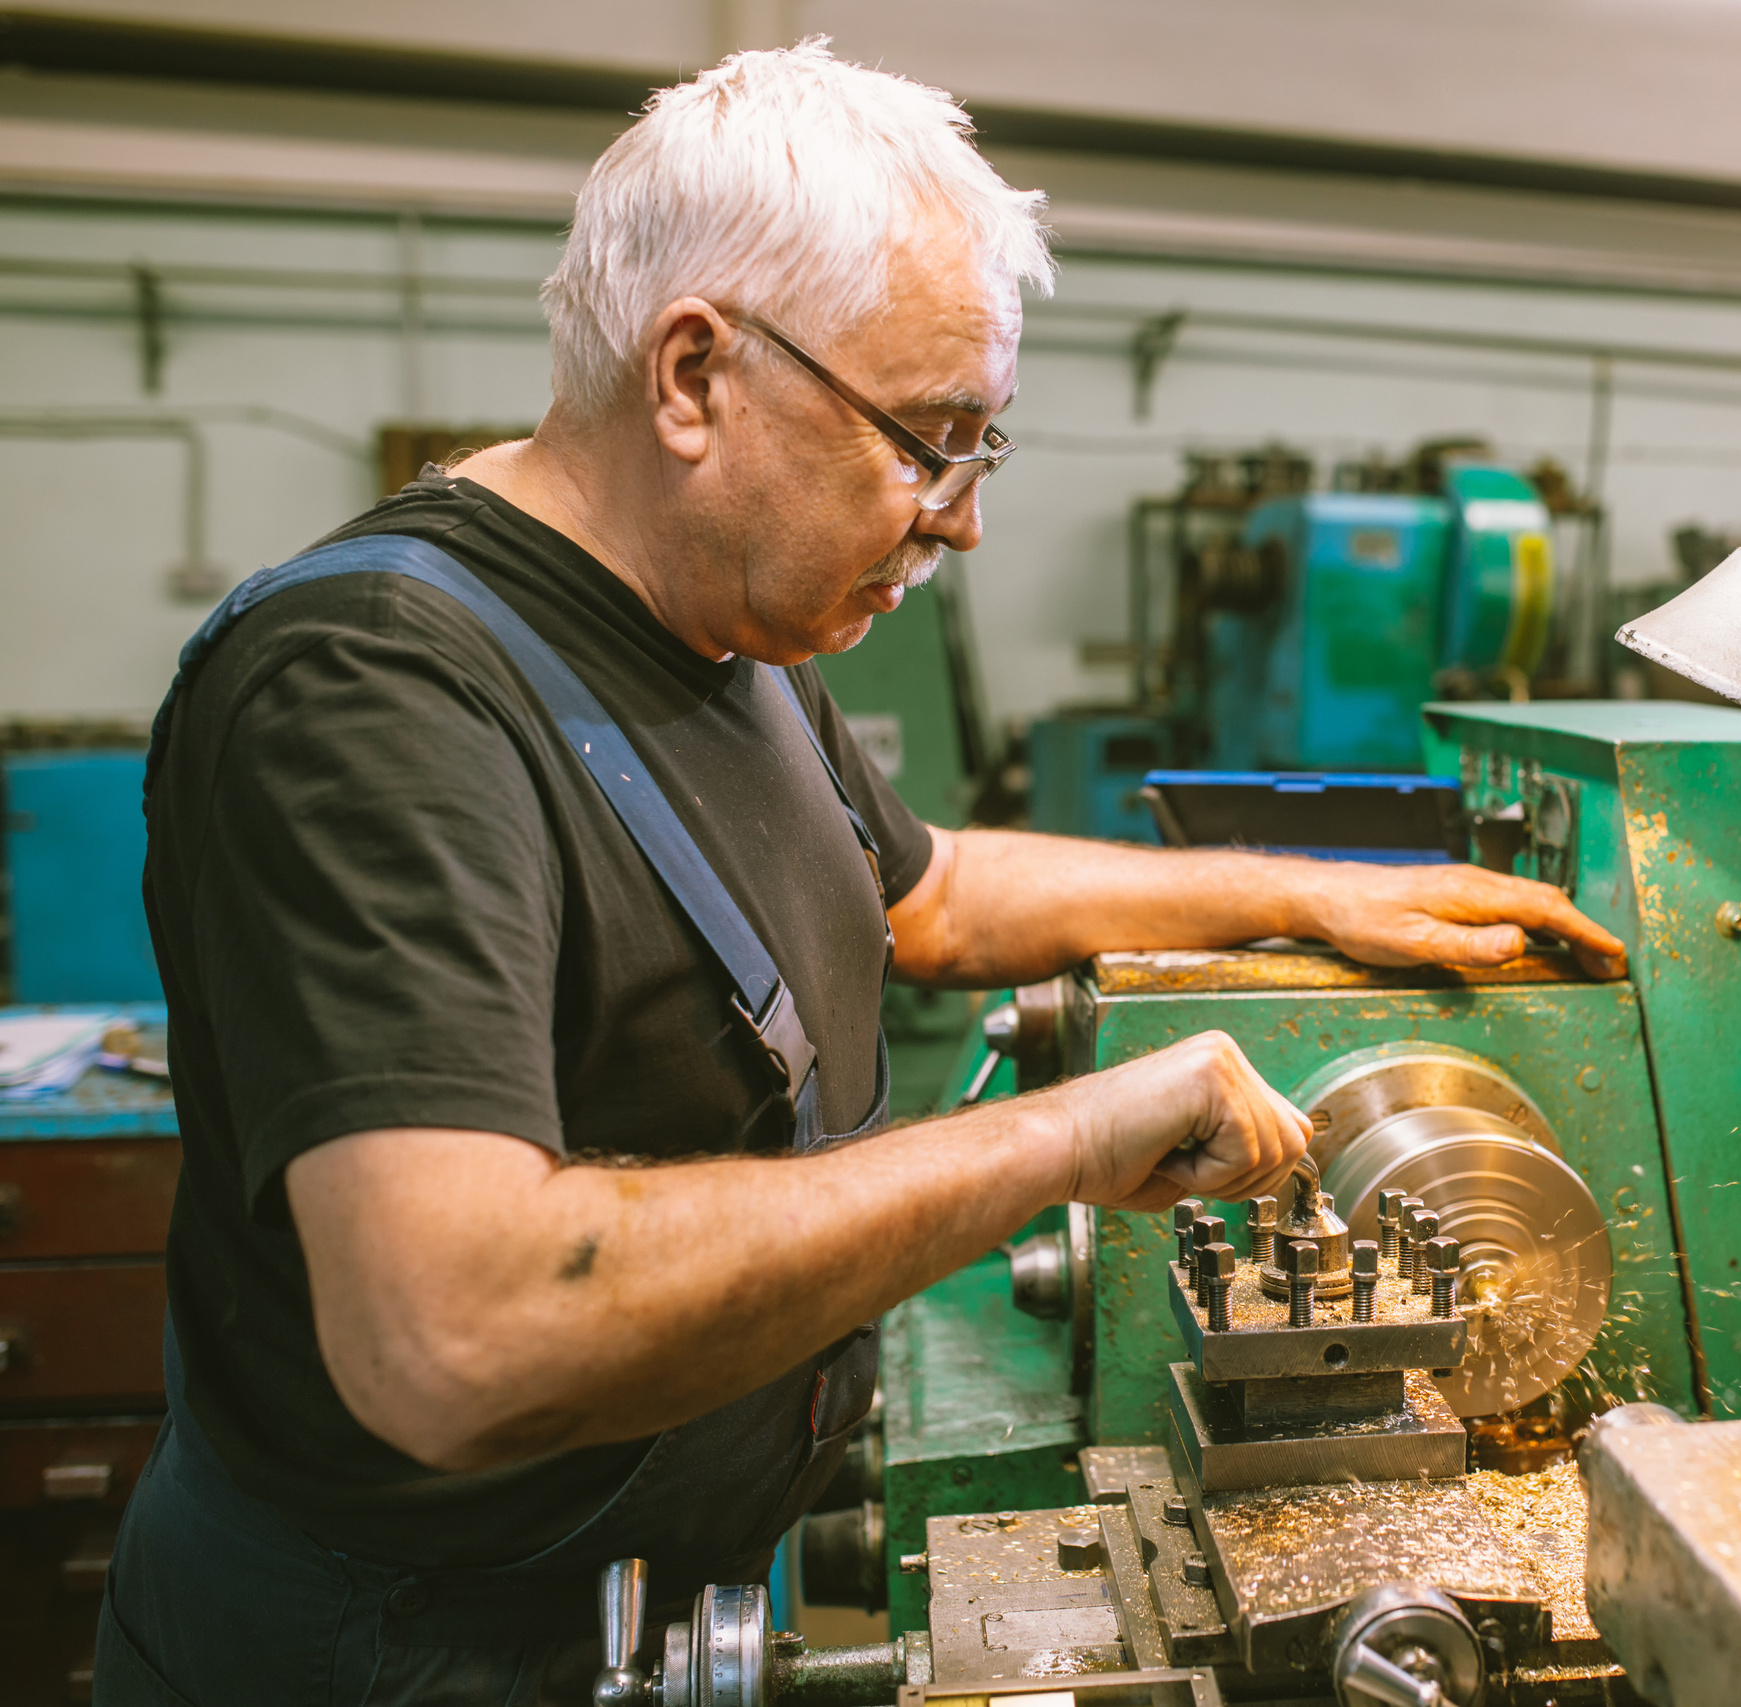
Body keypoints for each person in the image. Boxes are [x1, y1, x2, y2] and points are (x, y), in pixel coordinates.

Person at [97, 42, 1623, 1707]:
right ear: (695, 377)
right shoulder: (376, 695)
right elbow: (460, 1337)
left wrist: (1294, 892)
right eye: (927, 438)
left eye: (984, 446)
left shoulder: (730, 627)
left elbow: (931, 893)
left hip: (655, 1577)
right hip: (408, 1643)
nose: (958, 520)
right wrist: (1059, 1135)